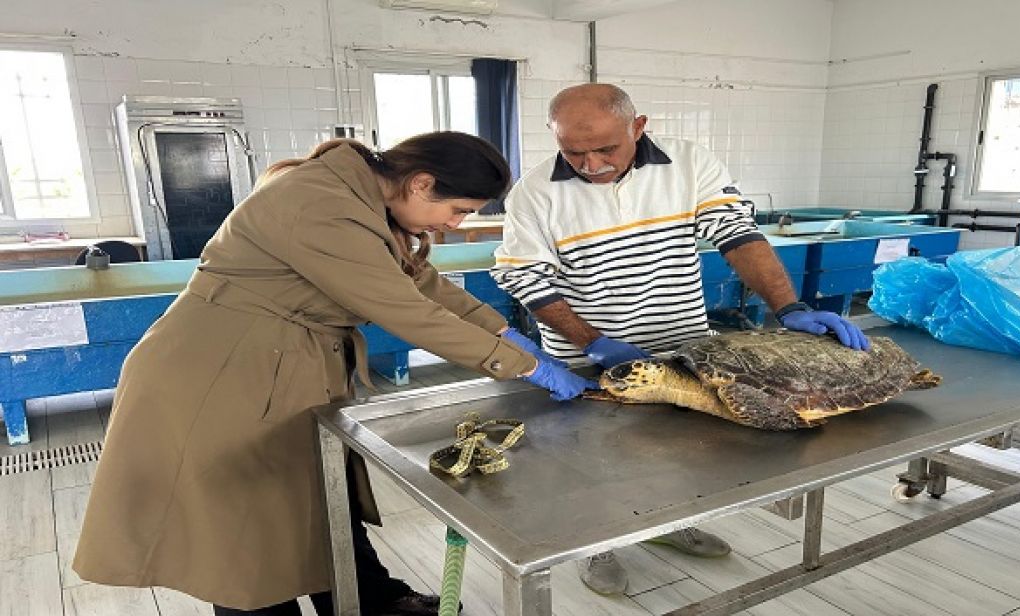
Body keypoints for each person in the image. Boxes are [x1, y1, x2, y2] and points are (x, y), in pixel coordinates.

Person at [72, 134, 595, 616]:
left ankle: (369, 599)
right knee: (241, 531)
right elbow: (405, 310)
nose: (454, 224)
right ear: (421, 183)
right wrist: (524, 364)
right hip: (222, 373)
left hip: (284, 361)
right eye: (457, 210)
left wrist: (503, 332)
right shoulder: (319, 204)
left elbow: (420, 283)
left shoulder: (364, 200)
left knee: (323, 495)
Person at [491, 84, 869, 595]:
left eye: (606, 148)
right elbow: (523, 276)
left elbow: (738, 235)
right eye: (573, 152)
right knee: (590, 458)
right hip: (586, 357)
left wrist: (790, 307)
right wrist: (593, 341)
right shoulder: (534, 192)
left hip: (682, 345)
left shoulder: (689, 163)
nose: (591, 164)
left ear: (638, 126)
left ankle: (671, 523)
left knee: (679, 450)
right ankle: (596, 545)